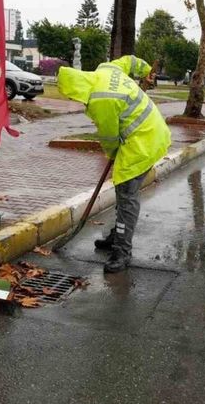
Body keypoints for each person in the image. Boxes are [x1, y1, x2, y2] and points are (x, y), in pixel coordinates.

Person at [57, 59, 171, 273]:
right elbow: (131, 61)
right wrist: (146, 71)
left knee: (127, 193)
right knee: (123, 190)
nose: (75, 100)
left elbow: (109, 138)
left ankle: (122, 251)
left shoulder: (100, 100)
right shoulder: (106, 68)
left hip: (143, 142)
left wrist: (112, 156)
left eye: (73, 96)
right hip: (152, 132)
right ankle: (117, 235)